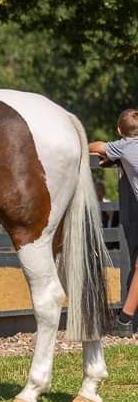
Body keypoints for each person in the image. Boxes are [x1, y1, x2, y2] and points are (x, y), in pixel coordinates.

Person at [90, 108, 138, 336]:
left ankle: (124, 321)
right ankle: (125, 320)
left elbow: (96, 147)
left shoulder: (124, 146)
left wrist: (110, 152)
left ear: (120, 131)